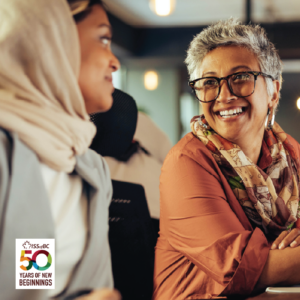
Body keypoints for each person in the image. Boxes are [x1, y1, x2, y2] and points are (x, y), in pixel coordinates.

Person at [153, 18, 300, 299]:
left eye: (241, 77)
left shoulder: (290, 155)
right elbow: (242, 266)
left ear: (274, 92)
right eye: (209, 82)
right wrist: (281, 259)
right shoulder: (186, 162)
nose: (224, 95)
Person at [0, 0, 121, 299]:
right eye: (103, 39)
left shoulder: (91, 168)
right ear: (51, 41)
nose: (114, 61)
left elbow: (38, 281)